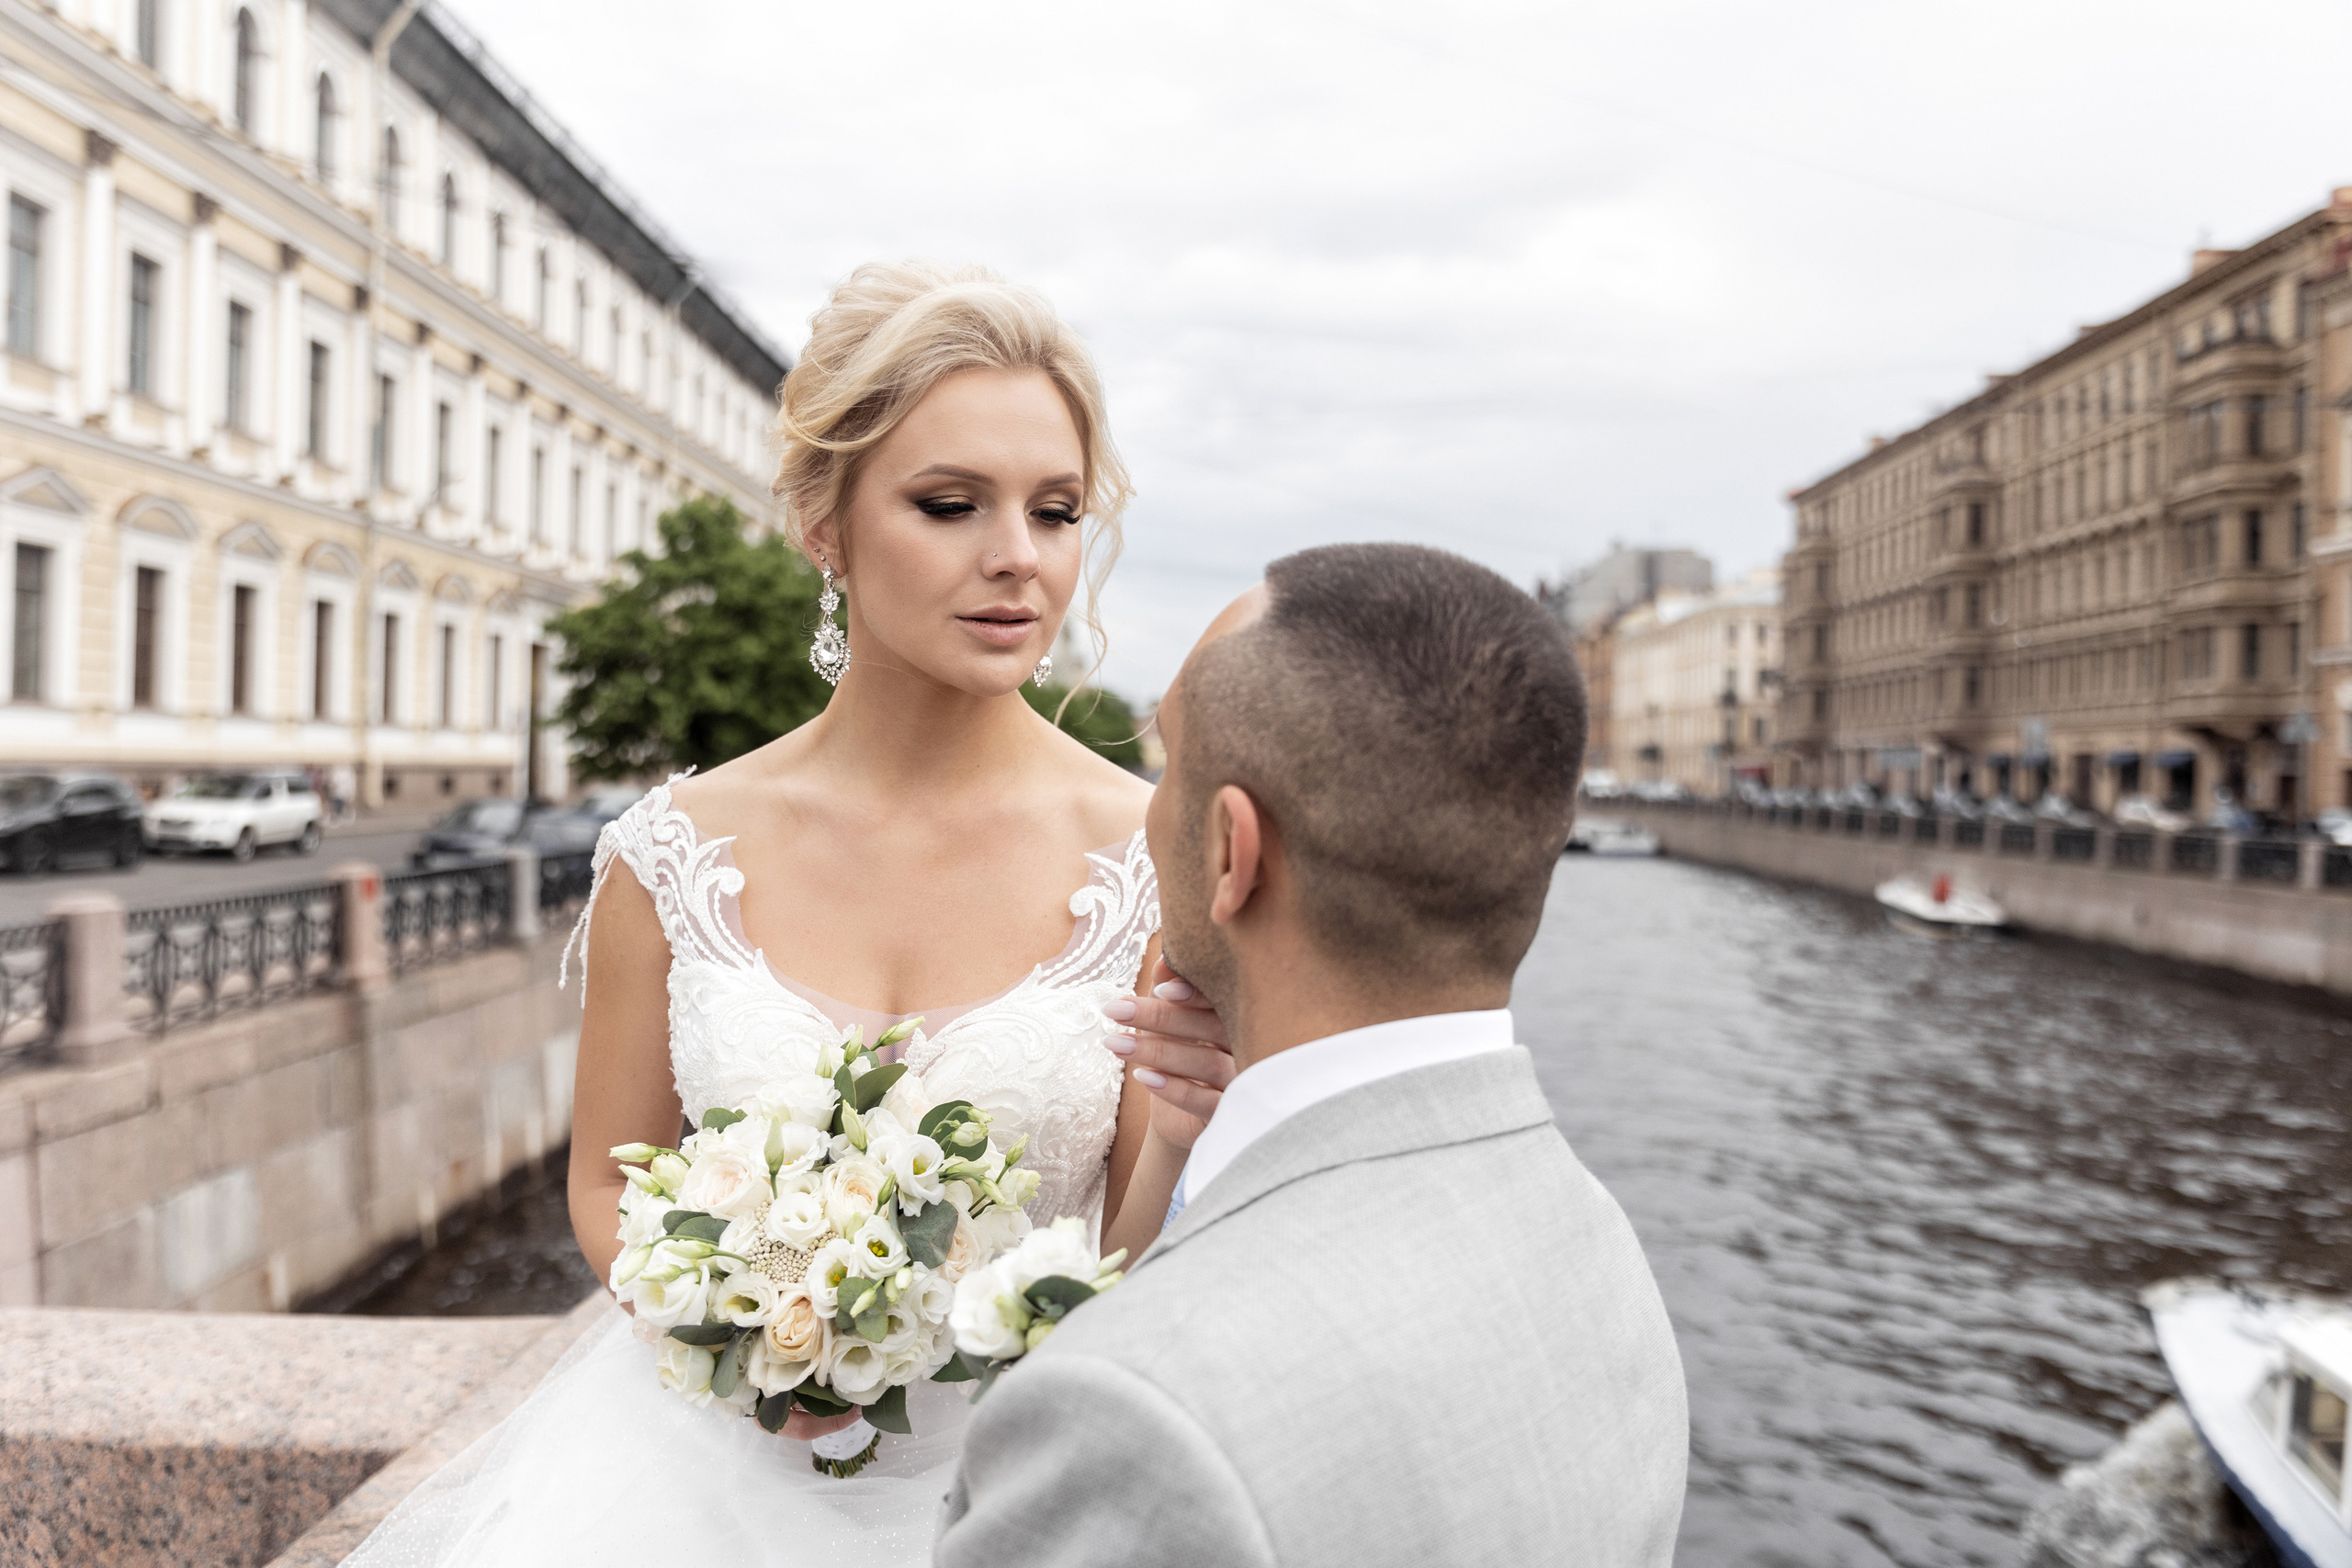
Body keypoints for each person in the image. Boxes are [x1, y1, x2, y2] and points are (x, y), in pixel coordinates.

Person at [340, 263, 1232, 1566]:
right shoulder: (673, 849)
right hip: (687, 1497)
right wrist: (740, 1331)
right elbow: (608, 1179)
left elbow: (1123, 1256)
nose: (1018, 558)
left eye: (1054, 511)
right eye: (949, 504)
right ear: (826, 524)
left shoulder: (1149, 855)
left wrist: (1182, 1140)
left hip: (1016, 1494)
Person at [936, 544, 1690, 1566]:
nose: (1146, 807)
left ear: (1233, 852)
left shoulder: (1142, 1412)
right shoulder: (1601, 1248)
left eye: (1171, 764)